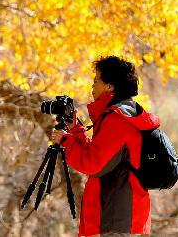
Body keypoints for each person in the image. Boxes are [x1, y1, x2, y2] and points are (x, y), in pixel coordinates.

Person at [51, 56, 160, 237]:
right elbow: (100, 154)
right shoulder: (124, 113)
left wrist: (66, 141)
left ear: (110, 86)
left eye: (96, 81)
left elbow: (93, 163)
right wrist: (75, 130)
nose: (92, 87)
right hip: (121, 217)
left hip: (115, 220)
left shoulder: (118, 119)